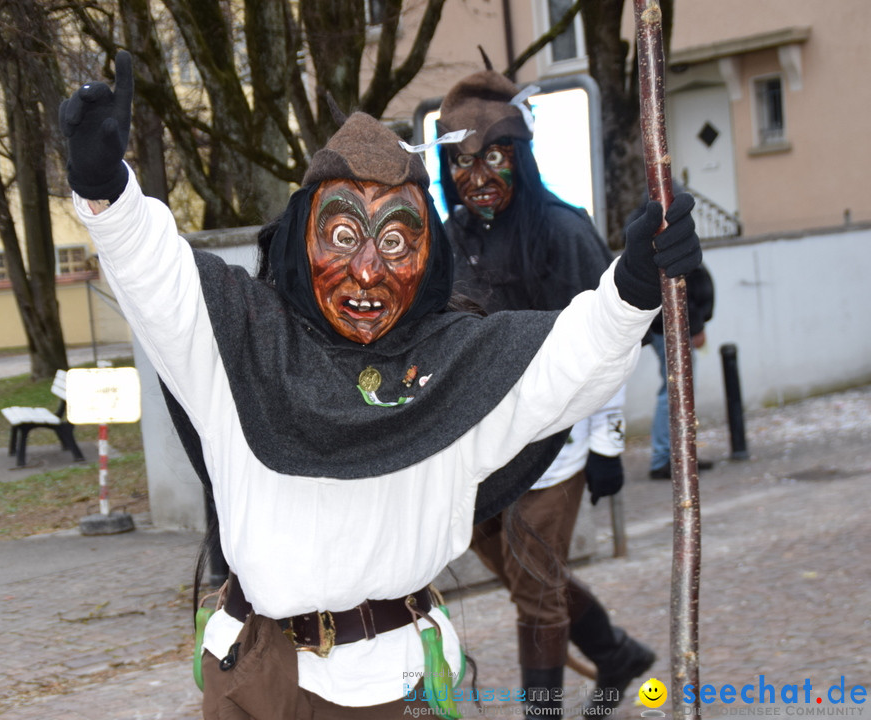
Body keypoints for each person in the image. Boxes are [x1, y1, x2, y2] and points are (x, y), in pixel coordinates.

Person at [59, 51, 701, 719]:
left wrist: (632, 286)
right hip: (260, 680)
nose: (367, 271)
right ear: (300, 241)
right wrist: (107, 188)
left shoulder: (455, 366)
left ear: (427, 260)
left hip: (396, 684)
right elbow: (160, 274)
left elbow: (567, 356)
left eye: (395, 242)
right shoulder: (239, 342)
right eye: (342, 235)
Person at [435, 69, 656, 718]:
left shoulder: (563, 231)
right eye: (459, 163)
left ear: (519, 157)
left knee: (534, 590)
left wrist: (610, 443)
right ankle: (616, 655)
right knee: (527, 575)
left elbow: (615, 341)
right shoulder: (449, 241)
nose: (475, 176)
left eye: (491, 158)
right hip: (482, 448)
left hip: (557, 443)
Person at [648, 262, 715, 479]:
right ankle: (664, 458)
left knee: (678, 390)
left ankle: (681, 455)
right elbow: (680, 288)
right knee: (675, 390)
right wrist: (695, 326)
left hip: (673, 324)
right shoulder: (664, 239)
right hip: (672, 325)